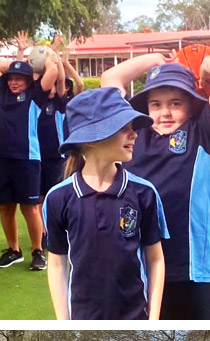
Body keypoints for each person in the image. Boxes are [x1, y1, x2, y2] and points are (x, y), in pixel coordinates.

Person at [101, 52, 210, 319]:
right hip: (136, 265)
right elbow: (111, 78)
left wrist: (207, 63)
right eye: (156, 104)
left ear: (191, 105)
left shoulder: (204, 133)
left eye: (175, 103)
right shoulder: (133, 133)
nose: (164, 112)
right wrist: (154, 60)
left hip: (191, 269)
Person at [43, 87, 167, 320]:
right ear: (90, 139)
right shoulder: (58, 198)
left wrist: (153, 319)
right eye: (123, 128)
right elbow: (57, 263)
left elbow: (156, 259)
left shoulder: (144, 192)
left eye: (133, 127)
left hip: (136, 318)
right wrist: (64, 323)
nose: (134, 134)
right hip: (83, 319)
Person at [0, 44, 58, 272]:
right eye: (11, 78)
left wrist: (37, 61)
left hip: (27, 159)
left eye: (19, 78)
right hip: (2, 158)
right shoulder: (3, 93)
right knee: (6, 208)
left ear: (29, 81)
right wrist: (17, 65)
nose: (13, 82)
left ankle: (38, 251)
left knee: (30, 207)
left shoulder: (35, 96)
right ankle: (14, 250)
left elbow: (53, 71)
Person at [36, 33, 85, 197]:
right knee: (41, 199)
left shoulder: (60, 103)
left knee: (59, 195)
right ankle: (45, 224)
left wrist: (56, 54)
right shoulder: (36, 101)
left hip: (57, 156)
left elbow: (63, 79)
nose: (51, 88)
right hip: (38, 155)